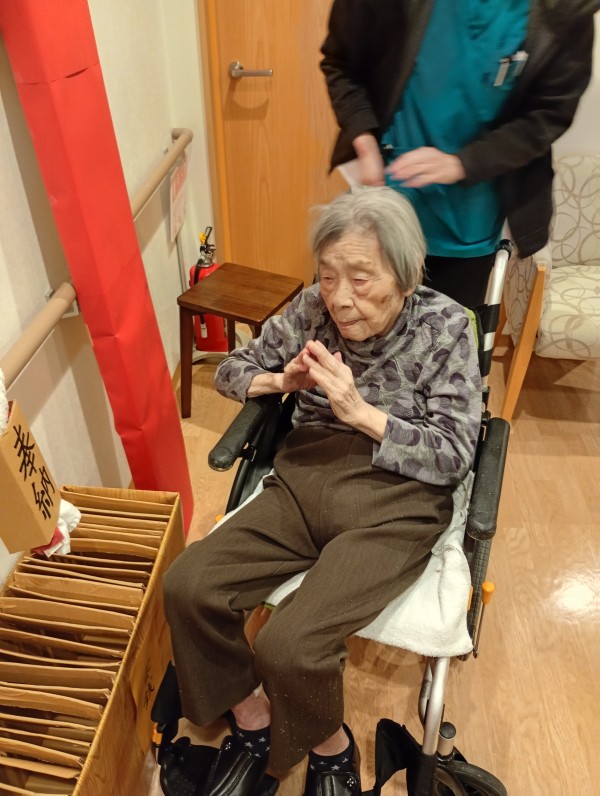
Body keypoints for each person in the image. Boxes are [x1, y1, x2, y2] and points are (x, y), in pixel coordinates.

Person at [163, 187, 482, 796]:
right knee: (189, 585)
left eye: (360, 279)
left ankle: (331, 748)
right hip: (304, 479)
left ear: (405, 275)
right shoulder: (312, 308)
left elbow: (454, 454)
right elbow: (231, 368)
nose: (338, 297)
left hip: (398, 501)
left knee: (289, 644)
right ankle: (251, 717)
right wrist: (279, 381)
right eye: (329, 275)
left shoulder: (445, 327)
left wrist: (362, 413)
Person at [320, 0, 598, 308]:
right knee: (353, 327)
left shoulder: (563, 12)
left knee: (447, 334)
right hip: (377, 216)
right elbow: (340, 63)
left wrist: (464, 163)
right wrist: (364, 140)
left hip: (466, 228)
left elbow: (548, 116)